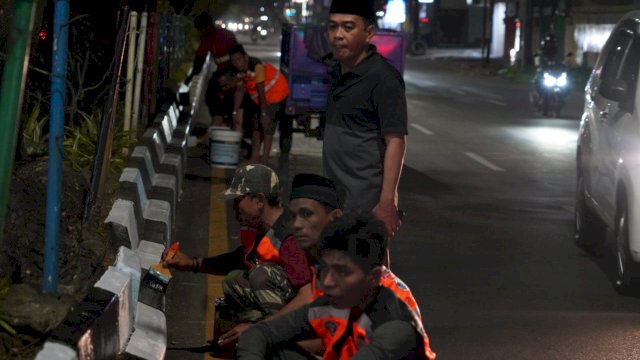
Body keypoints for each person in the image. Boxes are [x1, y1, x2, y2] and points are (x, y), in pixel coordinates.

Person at [236, 213, 436, 359]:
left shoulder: (395, 328)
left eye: (342, 271)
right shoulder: (342, 300)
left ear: (374, 277)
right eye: (325, 269)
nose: (329, 281)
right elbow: (259, 333)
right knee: (273, 348)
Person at [162, 164, 313, 345]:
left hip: (310, 314)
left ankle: (282, 341)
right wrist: (192, 263)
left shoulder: (289, 237)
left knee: (260, 274)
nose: (234, 209)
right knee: (234, 280)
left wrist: (259, 330)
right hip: (288, 300)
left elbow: (307, 297)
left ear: (259, 201)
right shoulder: (262, 228)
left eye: (237, 201)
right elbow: (238, 259)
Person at [321, 0, 407, 246]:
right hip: (335, 196)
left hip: (364, 201)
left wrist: (387, 202)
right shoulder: (338, 70)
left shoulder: (383, 78)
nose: (338, 35)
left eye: (348, 27)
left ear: (369, 33)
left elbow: (396, 142)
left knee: (369, 271)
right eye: (332, 27)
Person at [229, 44, 290, 165]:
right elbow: (240, 91)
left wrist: (263, 113)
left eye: (239, 59)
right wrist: (235, 112)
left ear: (245, 57)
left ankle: (264, 160)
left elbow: (261, 91)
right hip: (262, 98)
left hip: (276, 93)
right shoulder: (238, 71)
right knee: (256, 128)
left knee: (267, 126)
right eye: (234, 61)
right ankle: (255, 157)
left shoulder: (257, 67)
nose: (237, 63)